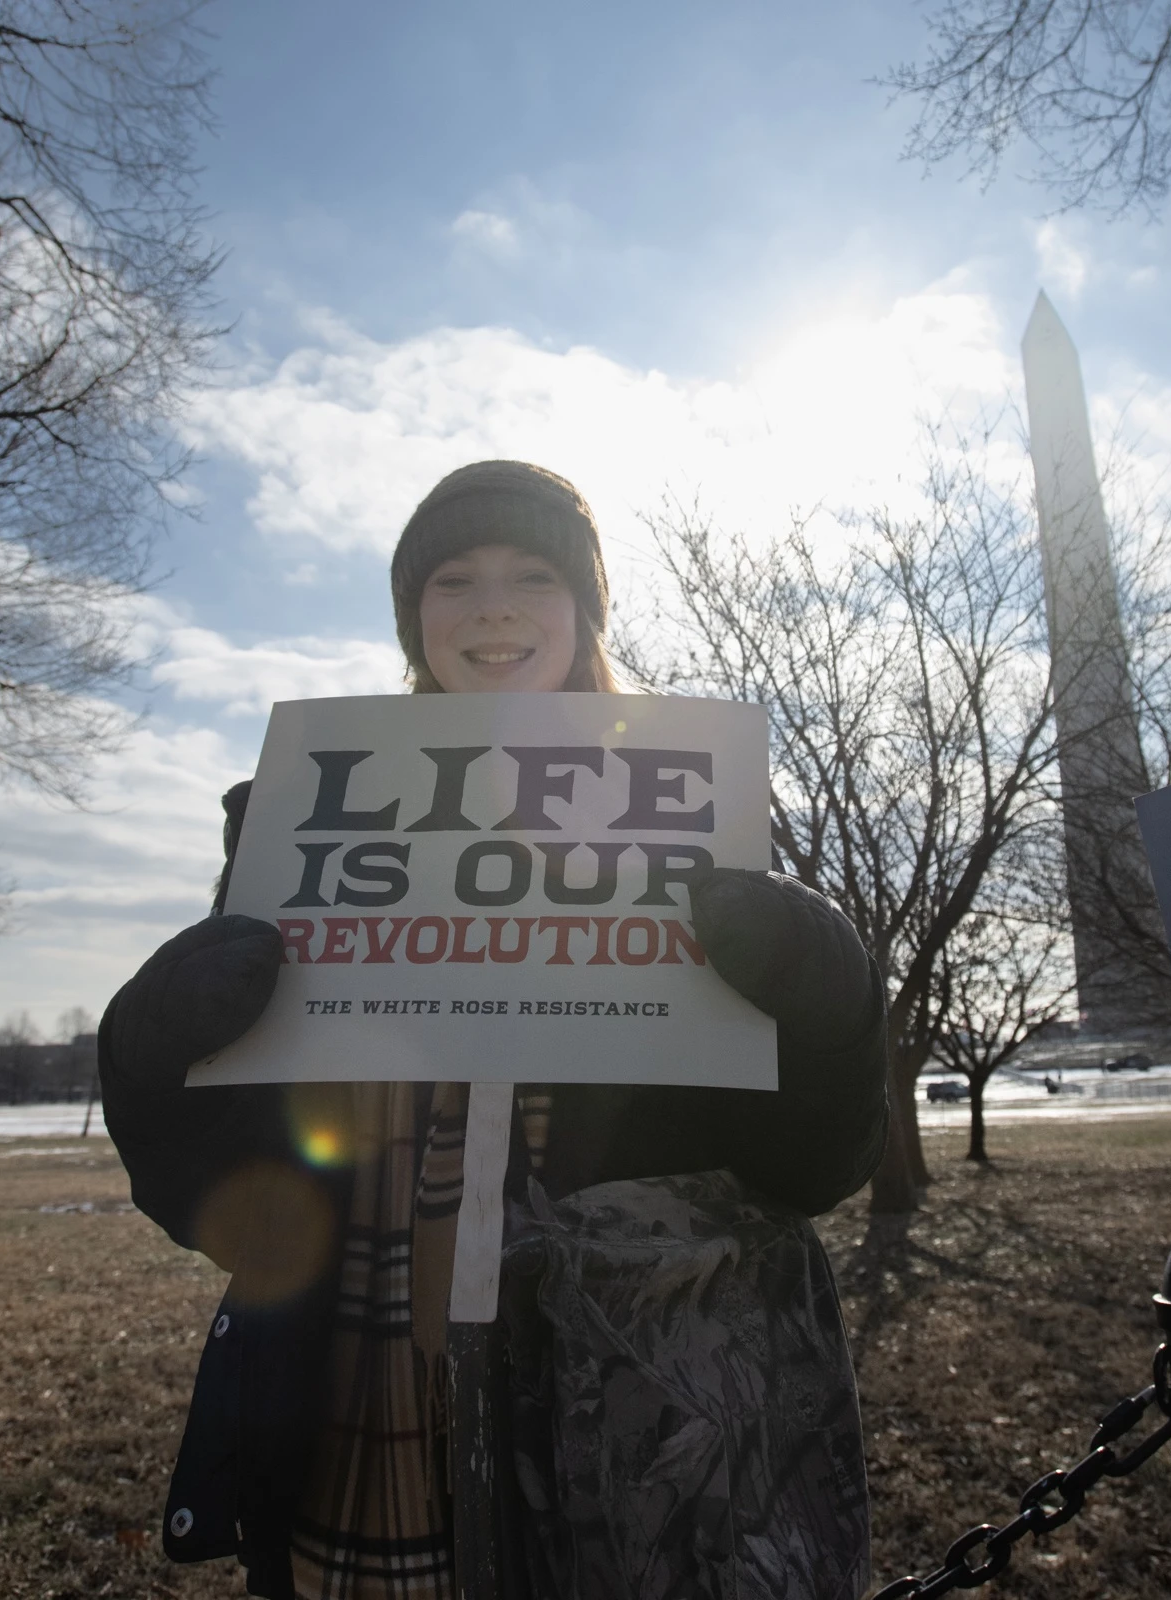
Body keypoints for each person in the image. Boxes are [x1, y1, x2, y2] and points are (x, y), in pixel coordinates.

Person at [99, 460, 890, 1599]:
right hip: (361, 1427)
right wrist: (150, 1053)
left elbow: (812, 1168)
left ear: (587, 610)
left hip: (638, 1442)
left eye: (533, 575)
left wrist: (831, 1009)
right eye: (453, 580)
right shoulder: (298, 817)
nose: (495, 607)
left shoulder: (691, 803)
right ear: (415, 618)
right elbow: (224, 1200)